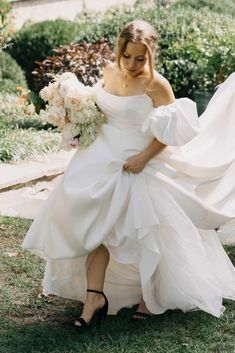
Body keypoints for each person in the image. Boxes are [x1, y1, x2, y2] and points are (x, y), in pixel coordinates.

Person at [22, 19, 235, 331]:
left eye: (140, 58)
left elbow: (169, 132)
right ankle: (94, 296)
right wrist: (74, 118)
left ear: (150, 55)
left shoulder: (156, 85)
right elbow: (101, 112)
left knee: (145, 232)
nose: (133, 64)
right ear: (118, 51)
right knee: (94, 224)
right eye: (127, 56)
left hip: (138, 160)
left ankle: (150, 296)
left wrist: (143, 158)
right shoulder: (108, 72)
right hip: (99, 158)